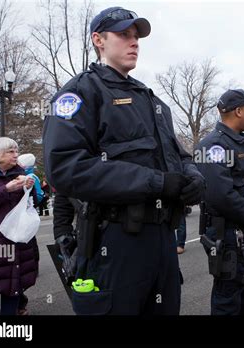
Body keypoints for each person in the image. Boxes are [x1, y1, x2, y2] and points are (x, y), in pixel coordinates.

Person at [43, 6, 204, 315]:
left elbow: (181, 157)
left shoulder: (153, 102)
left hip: (162, 241)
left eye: (136, 36)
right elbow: (65, 168)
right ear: (98, 40)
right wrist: (157, 182)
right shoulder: (78, 94)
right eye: (124, 34)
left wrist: (194, 178)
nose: (134, 42)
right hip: (115, 242)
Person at [196, 89, 244, 315]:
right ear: (238, 111)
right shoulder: (214, 146)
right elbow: (220, 196)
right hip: (229, 236)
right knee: (228, 302)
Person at [0, 137, 38, 315]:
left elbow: (30, 203)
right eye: (10, 151)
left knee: (13, 290)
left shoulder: (18, 172)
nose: (16, 155)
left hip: (16, 241)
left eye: (16, 151)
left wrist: (29, 187)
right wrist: (5, 190)